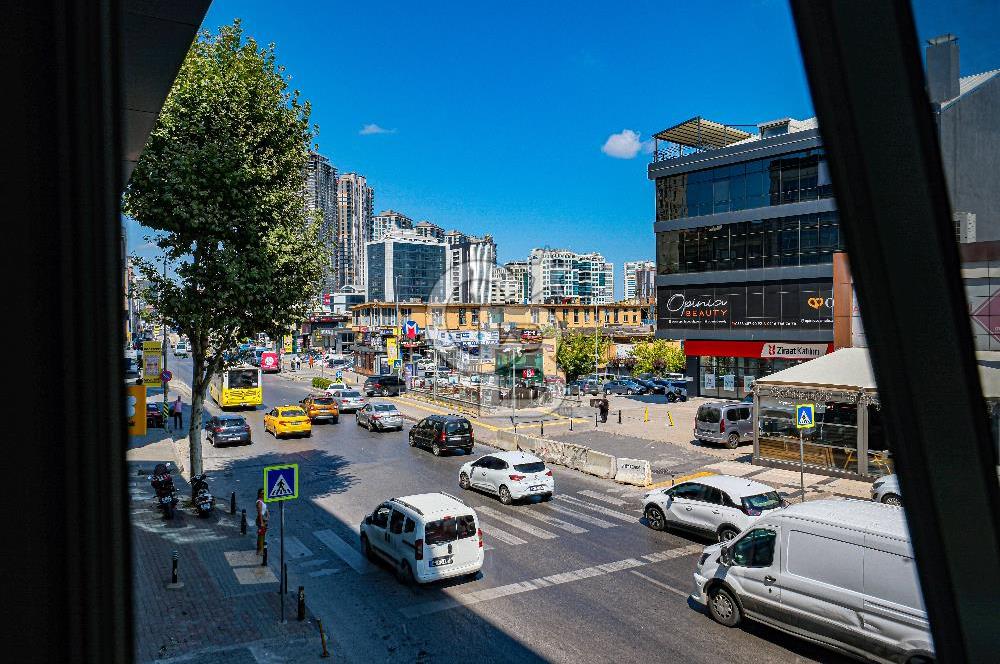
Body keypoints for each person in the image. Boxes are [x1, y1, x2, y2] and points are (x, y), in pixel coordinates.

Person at [256, 488, 269, 556]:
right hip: (260, 519)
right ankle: (260, 550)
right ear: (259, 494)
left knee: (262, 534)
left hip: (264, 519)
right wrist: (261, 522)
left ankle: (260, 549)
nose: (263, 494)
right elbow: (260, 513)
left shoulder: (263, 501)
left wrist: (267, 512)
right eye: (262, 493)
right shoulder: (259, 502)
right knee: (261, 535)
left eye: (264, 493)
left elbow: (265, 509)